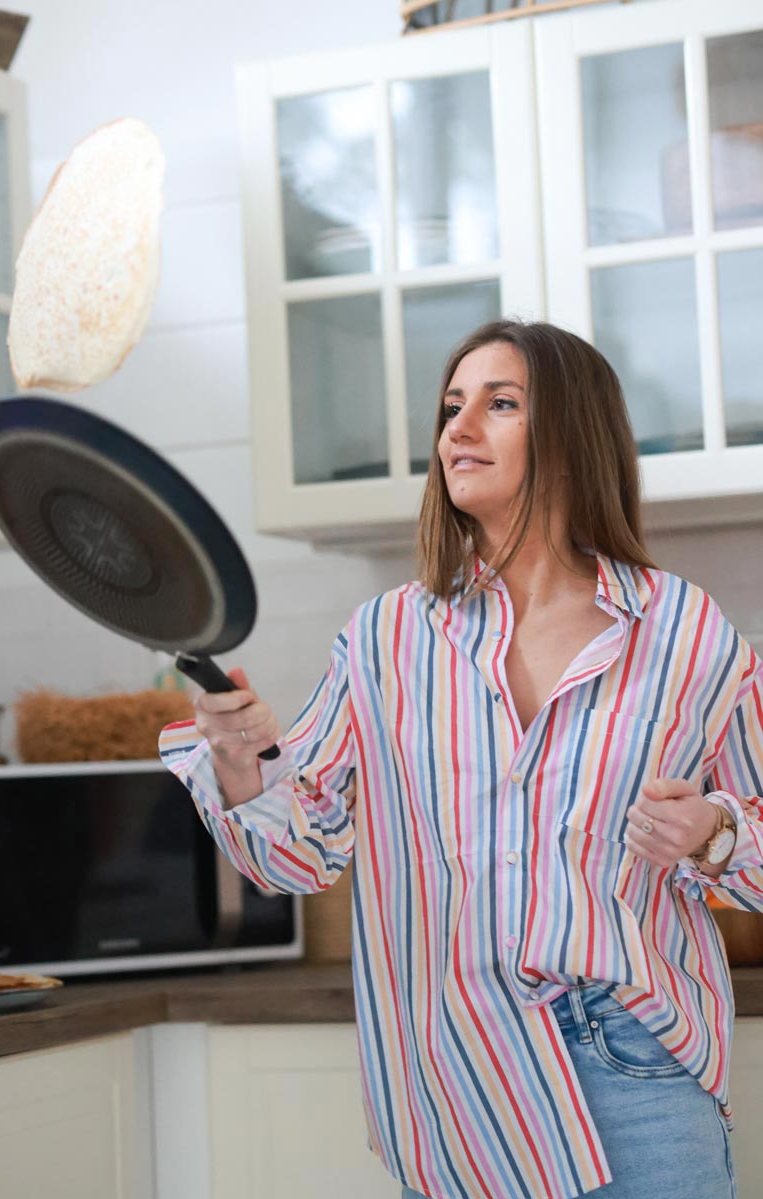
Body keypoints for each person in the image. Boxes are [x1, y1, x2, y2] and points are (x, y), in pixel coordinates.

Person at [159, 319, 762, 1199]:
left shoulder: (688, 632)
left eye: (500, 402)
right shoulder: (386, 637)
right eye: (451, 406)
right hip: (460, 1082)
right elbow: (299, 853)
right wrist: (241, 759)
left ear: (571, 433)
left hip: (633, 1059)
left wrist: (713, 830)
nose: (457, 427)